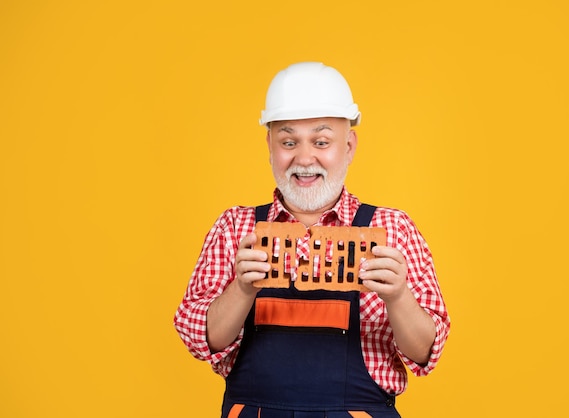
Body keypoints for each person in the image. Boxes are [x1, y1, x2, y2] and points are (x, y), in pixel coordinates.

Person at [174, 62, 450, 418]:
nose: (304, 158)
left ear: (348, 146)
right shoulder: (235, 227)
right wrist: (242, 290)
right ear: (270, 145)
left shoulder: (392, 228)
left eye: (321, 142)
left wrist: (398, 297)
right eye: (288, 142)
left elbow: (425, 352)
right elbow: (201, 340)